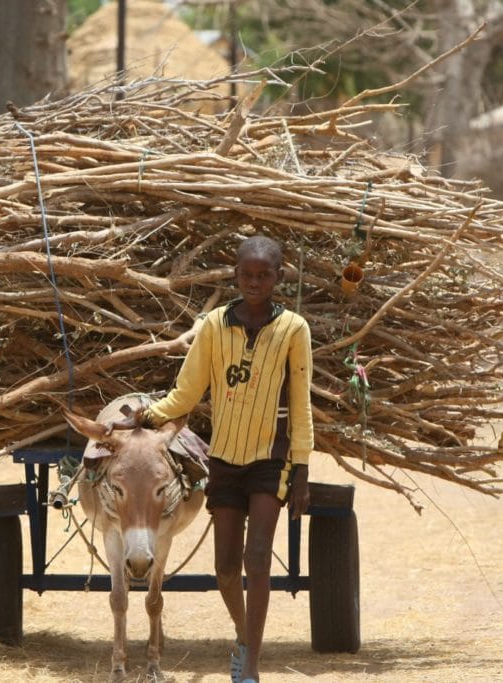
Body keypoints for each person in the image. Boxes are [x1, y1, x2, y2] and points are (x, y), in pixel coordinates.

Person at [111, 235, 313, 683]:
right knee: (225, 570)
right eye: (247, 275)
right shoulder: (214, 327)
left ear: (280, 277)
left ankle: (251, 669)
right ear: (235, 276)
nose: (255, 282)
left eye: (265, 275)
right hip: (224, 459)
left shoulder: (294, 330)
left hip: (269, 459)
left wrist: (301, 467)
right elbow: (187, 392)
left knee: (256, 559)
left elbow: (300, 404)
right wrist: (146, 415)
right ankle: (245, 635)